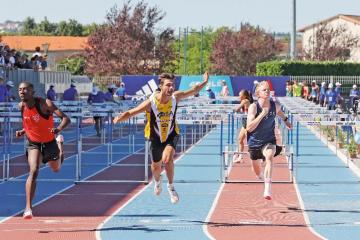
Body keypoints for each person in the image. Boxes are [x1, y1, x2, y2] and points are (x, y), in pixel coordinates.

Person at [113, 72, 209, 204]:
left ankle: (171, 187)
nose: (171, 88)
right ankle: (157, 182)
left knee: (168, 159)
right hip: (154, 136)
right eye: (168, 85)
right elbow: (131, 112)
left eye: (173, 85)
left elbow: (194, 90)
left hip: (171, 133)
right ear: (161, 86)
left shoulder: (176, 97)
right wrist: (119, 118)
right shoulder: (151, 103)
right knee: (155, 167)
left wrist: (205, 81)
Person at [15, 81, 70, 219]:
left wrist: (58, 129)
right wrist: (23, 131)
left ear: (32, 92)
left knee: (56, 169)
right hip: (33, 143)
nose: (22, 92)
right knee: (33, 170)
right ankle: (28, 208)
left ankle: (60, 147)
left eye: (25, 89)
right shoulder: (21, 106)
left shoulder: (45, 104)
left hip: (49, 142)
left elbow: (66, 118)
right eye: (20, 89)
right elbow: (30, 123)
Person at [246, 81, 292, 200]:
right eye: (264, 90)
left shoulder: (275, 105)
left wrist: (286, 120)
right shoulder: (254, 107)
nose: (267, 91)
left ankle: (267, 188)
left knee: (270, 156)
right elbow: (249, 127)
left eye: (268, 89)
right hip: (254, 141)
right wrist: (262, 115)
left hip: (269, 139)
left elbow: (279, 112)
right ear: (258, 93)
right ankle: (262, 177)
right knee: (256, 171)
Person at [233, 89, 253, 163]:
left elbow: (237, 109)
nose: (238, 96)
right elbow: (239, 110)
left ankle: (261, 156)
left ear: (244, 95)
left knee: (251, 142)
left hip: (249, 123)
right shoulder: (244, 101)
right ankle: (240, 157)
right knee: (240, 140)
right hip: (244, 123)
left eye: (239, 95)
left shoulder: (245, 101)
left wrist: (231, 110)